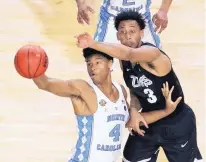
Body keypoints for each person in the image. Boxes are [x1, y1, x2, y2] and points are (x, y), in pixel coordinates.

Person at [75, 11, 203, 162]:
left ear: (141, 33)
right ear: (117, 36)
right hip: (148, 120)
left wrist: (93, 43)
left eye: (132, 31)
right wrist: (134, 110)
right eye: (122, 32)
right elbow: (135, 91)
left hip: (176, 121)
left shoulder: (153, 54)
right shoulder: (125, 62)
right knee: (130, 159)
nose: (127, 36)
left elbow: (129, 53)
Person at [33, 47, 181, 162]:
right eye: (89, 64)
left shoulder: (121, 91)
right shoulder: (83, 89)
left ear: (110, 64)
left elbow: (134, 120)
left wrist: (167, 111)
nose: (92, 67)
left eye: (98, 62)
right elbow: (45, 84)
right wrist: (34, 68)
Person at [75, 0, 173, 48]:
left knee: (157, 62)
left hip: (141, 18)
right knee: (98, 60)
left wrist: (163, 10)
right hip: (111, 19)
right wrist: (81, 3)